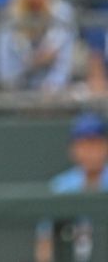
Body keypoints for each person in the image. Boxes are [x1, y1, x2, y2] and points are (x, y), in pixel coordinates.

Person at [35, 112, 108, 262]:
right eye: (83, 145)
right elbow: (45, 242)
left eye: (95, 143)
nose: (90, 151)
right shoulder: (61, 187)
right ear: (73, 149)